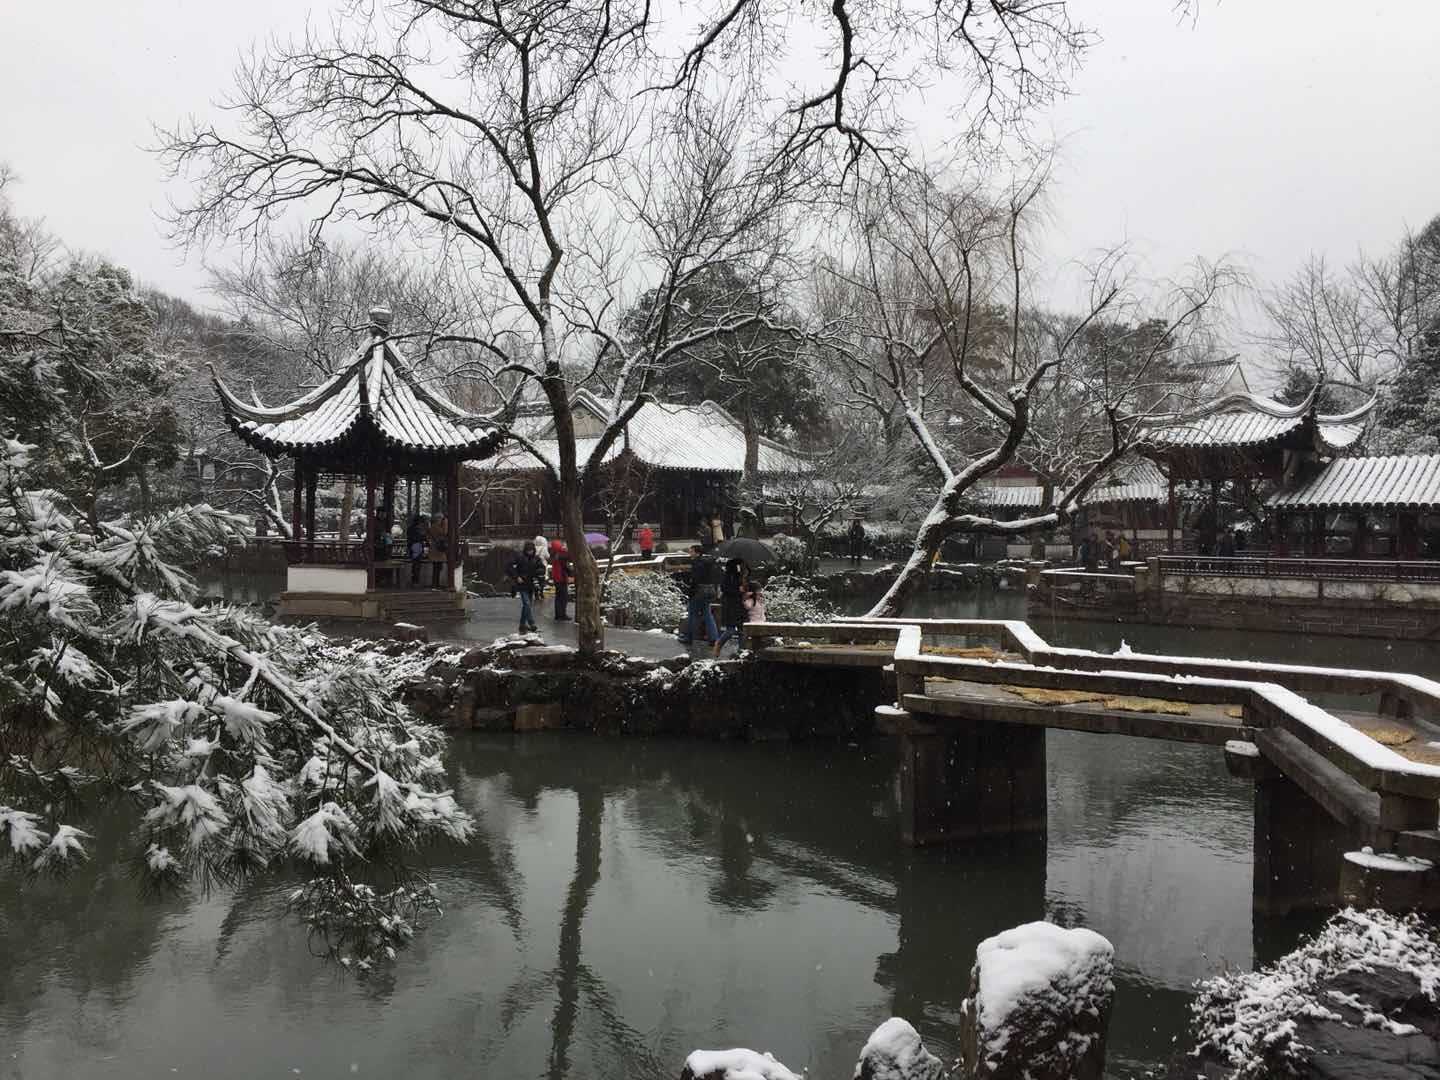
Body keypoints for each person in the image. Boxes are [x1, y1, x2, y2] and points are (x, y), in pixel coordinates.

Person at [679, 543, 720, 645]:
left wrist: (690, 593)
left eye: (691, 551)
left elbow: (695, 580)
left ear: (697, 553)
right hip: (710, 589)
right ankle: (714, 638)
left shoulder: (697, 563)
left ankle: (689, 637)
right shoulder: (708, 562)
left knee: (692, 614)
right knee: (707, 614)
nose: (689, 553)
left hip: (700, 590)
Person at [506, 541, 545, 634]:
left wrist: (538, 573)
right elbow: (509, 567)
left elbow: (542, 568)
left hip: (531, 584)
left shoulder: (536, 559)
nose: (530, 552)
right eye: (528, 550)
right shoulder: (519, 557)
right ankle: (532, 624)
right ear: (525, 550)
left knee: (526, 606)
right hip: (522, 583)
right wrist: (516, 577)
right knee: (527, 604)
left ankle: (522, 624)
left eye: (531, 550)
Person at [713, 558, 747, 657]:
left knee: (742, 630)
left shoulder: (742, 576)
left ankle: (742, 652)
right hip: (730, 605)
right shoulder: (728, 576)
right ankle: (719, 644)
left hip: (741, 605)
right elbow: (725, 589)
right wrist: (738, 590)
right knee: (730, 630)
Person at [550, 538, 572, 621]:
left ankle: (558, 614)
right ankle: (562, 615)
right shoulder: (561, 555)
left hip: (556, 578)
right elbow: (566, 566)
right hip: (561, 578)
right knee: (563, 597)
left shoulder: (554, 554)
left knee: (558, 597)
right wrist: (571, 574)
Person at [407, 514, 430, 586]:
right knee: (416, 564)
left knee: (416, 564)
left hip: (414, 547)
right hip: (416, 546)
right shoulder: (417, 529)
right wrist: (424, 538)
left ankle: (415, 580)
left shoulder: (411, 528)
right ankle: (415, 581)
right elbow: (419, 538)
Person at [429, 514, 451, 587]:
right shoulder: (435, 526)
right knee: (436, 568)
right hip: (436, 549)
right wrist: (446, 523)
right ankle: (435, 584)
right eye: (441, 519)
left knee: (438, 567)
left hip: (437, 549)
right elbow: (444, 532)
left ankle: (436, 583)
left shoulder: (435, 526)